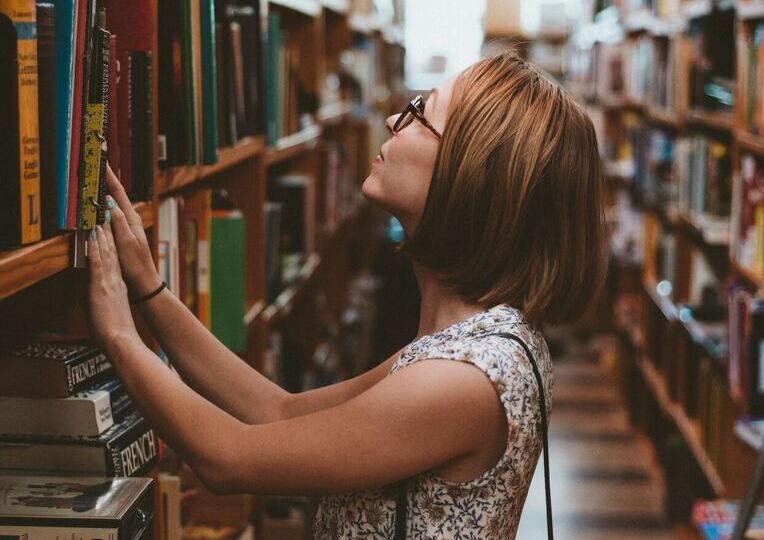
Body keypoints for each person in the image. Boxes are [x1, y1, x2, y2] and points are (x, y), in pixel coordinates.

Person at [87, 50, 606, 539]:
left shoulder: (463, 378)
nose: (392, 121)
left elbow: (226, 458)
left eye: (420, 112)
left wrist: (117, 333)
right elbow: (279, 412)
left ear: (471, 175)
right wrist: (151, 292)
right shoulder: (470, 343)